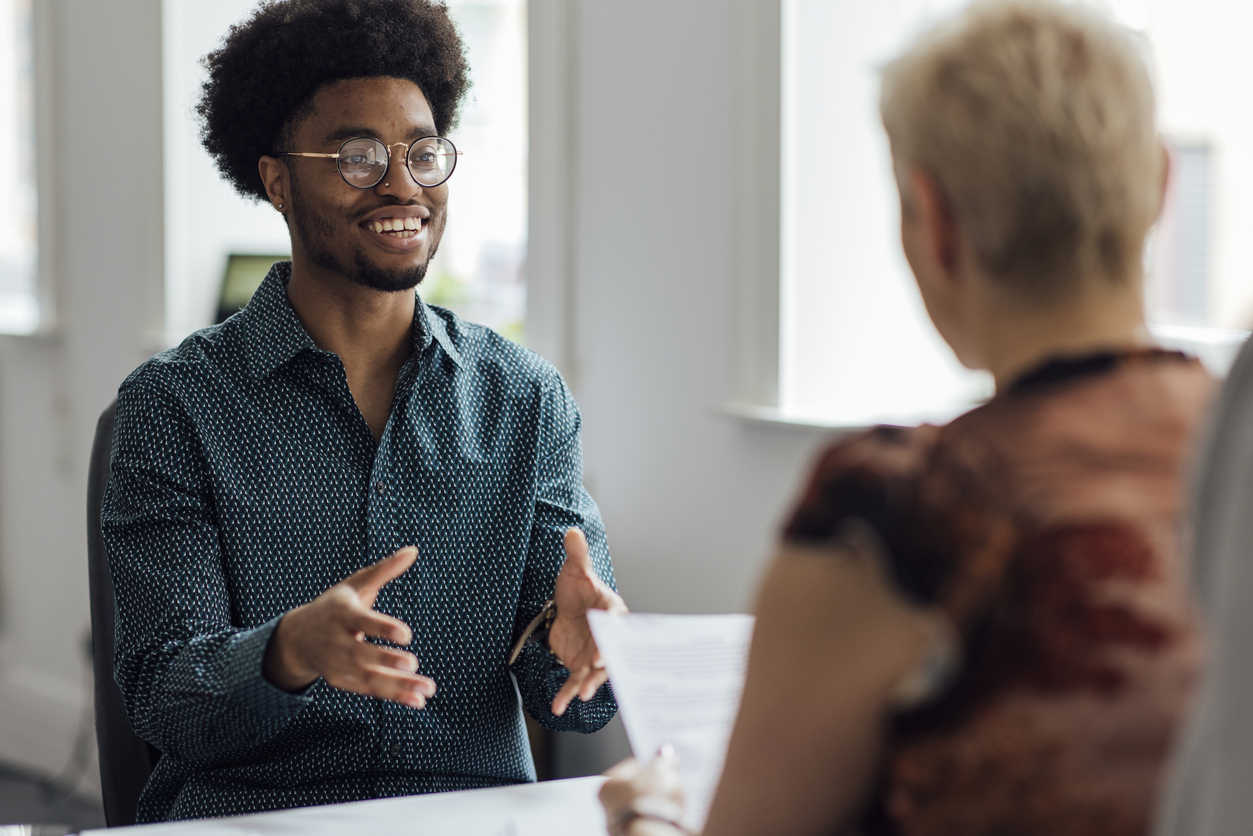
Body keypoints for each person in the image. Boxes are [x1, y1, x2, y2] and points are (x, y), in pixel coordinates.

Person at [601, 2, 1211, 834]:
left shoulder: (896, 512)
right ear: (1161, 189)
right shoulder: (1230, 451)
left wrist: (653, 820)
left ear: (936, 222)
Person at [101, 0, 625, 822]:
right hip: (255, 815)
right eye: (357, 155)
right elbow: (163, 701)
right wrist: (288, 652)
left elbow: (577, 701)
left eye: (423, 153)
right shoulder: (176, 407)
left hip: (471, 812)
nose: (401, 185)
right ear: (276, 179)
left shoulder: (523, 398)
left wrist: (590, 651)